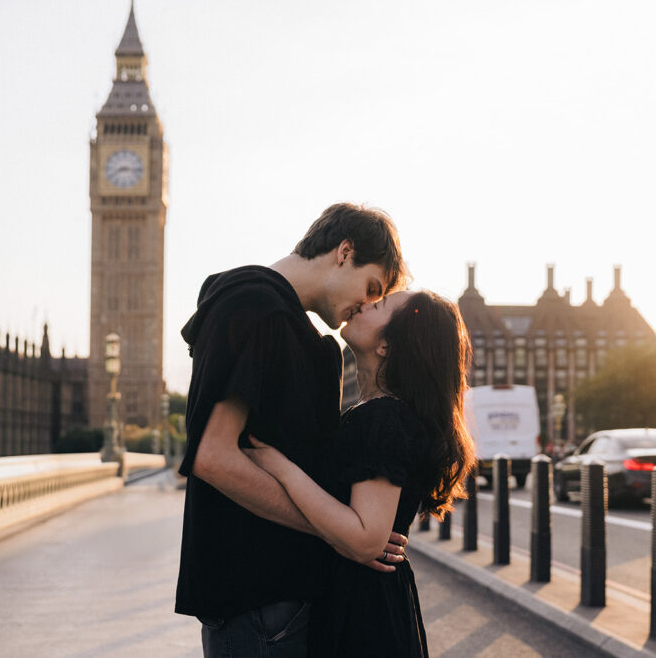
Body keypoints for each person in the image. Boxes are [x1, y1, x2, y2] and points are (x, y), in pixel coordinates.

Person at [174, 203, 408, 657]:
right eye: (371, 287)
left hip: (294, 598)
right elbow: (212, 457)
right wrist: (340, 534)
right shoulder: (252, 304)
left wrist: (362, 528)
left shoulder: (317, 347)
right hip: (255, 601)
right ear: (344, 251)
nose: (366, 304)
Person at [245, 289, 476, 657]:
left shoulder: (384, 418)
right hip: (364, 599)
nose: (366, 303)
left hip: (363, 613)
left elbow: (366, 537)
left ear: (387, 345)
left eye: (379, 306)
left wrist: (280, 468)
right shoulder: (376, 413)